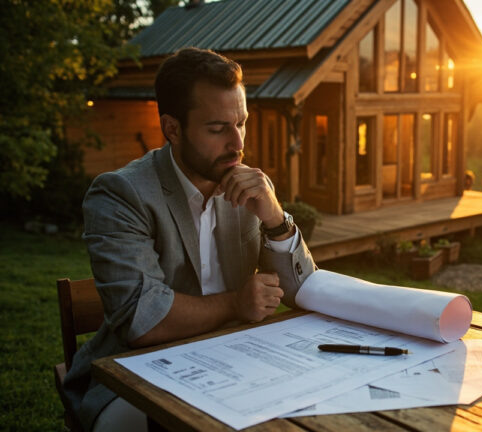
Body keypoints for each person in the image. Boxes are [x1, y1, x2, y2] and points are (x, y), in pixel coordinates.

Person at [62, 47, 316, 432]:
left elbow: (304, 292)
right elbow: (141, 322)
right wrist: (236, 303)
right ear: (173, 128)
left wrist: (277, 219)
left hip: (241, 361)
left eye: (242, 123)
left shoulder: (248, 186)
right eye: (218, 129)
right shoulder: (120, 194)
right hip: (135, 375)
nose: (238, 144)